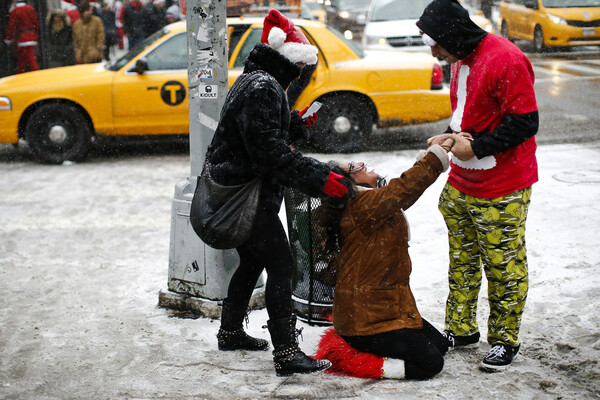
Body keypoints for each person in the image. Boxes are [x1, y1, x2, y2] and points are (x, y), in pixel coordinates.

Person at [208, 9, 348, 377]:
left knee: (253, 262)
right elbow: (268, 152)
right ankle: (287, 354)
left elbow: (257, 134)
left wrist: (296, 125)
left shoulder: (256, 79)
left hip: (238, 190)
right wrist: (318, 177)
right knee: (282, 265)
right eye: (300, 67)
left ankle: (230, 331)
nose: (301, 74)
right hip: (245, 197)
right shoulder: (264, 87)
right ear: (289, 61)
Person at [416, 0, 539, 372]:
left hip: (502, 187)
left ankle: (504, 339)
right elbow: (469, 115)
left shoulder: (507, 58)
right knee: (462, 260)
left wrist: (479, 147)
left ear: (453, 35)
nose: (433, 51)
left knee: (503, 265)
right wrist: (450, 136)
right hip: (462, 182)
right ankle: (462, 329)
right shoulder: (460, 58)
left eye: (435, 43)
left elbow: (526, 122)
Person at [314, 141, 454, 380]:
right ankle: (349, 358)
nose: (362, 164)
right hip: (365, 320)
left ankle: (359, 343)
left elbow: (398, 192)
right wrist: (436, 156)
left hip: (383, 308)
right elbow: (402, 191)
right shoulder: (361, 206)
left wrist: (424, 160)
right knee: (430, 363)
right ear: (349, 182)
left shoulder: (370, 202)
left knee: (440, 345)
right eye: (354, 167)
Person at [4, 0, 39, 74]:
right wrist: (35, 35)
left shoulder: (15, 10)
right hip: (31, 36)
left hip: (22, 37)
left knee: (28, 60)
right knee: (23, 59)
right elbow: (36, 23)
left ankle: (35, 75)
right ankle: (22, 73)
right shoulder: (30, 8)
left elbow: (11, 26)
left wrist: (8, 38)